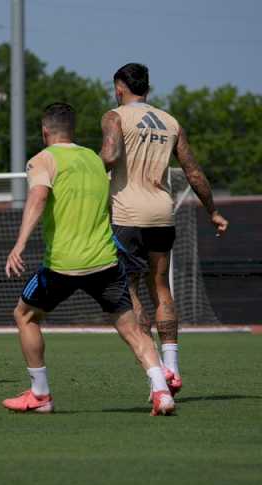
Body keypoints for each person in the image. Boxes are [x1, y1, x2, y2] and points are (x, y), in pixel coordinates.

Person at [4, 102, 175, 416]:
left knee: (25, 315)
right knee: (132, 330)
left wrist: (19, 244)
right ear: (74, 131)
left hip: (63, 265)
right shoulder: (96, 161)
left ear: (45, 132)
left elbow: (38, 197)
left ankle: (40, 395)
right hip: (105, 263)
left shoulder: (42, 159)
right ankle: (162, 391)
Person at [99, 63, 228, 395]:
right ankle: (173, 366)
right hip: (162, 213)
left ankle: (155, 372)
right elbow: (193, 171)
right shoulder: (170, 122)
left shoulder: (114, 117)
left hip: (127, 215)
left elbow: (110, 156)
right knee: (160, 286)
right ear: (148, 89)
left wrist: (89, 169)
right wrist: (212, 211)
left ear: (119, 87)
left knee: (129, 289)